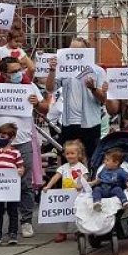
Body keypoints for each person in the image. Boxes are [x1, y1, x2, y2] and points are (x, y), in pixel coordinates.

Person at [0, 56, 47, 240]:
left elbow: (45, 108)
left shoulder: (29, 86)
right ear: (3, 73)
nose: (19, 73)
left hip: (22, 142)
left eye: (20, 70)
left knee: (25, 184)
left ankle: (26, 222)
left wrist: (37, 103)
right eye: (14, 71)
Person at [47, 37, 107, 166]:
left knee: (91, 159)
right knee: (68, 161)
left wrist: (93, 88)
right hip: (69, 123)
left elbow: (103, 99)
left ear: (87, 51)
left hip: (90, 123)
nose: (74, 54)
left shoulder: (98, 71)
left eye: (78, 50)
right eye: (71, 50)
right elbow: (50, 89)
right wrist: (52, 71)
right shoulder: (63, 69)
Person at [0, 122, 26, 246]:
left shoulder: (16, 153)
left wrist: (20, 171)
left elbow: (21, 167)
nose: (0, 139)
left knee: (13, 210)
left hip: (11, 188)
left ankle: (13, 233)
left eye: (3, 136)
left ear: (11, 138)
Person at [44, 141, 91, 242]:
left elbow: (85, 177)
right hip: (65, 196)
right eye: (67, 153)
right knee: (63, 214)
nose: (69, 156)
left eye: (72, 153)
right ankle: (62, 232)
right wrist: (48, 186)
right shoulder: (63, 167)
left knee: (78, 214)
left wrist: (81, 184)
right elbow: (56, 176)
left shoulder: (81, 167)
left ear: (79, 154)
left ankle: (78, 231)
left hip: (78, 195)